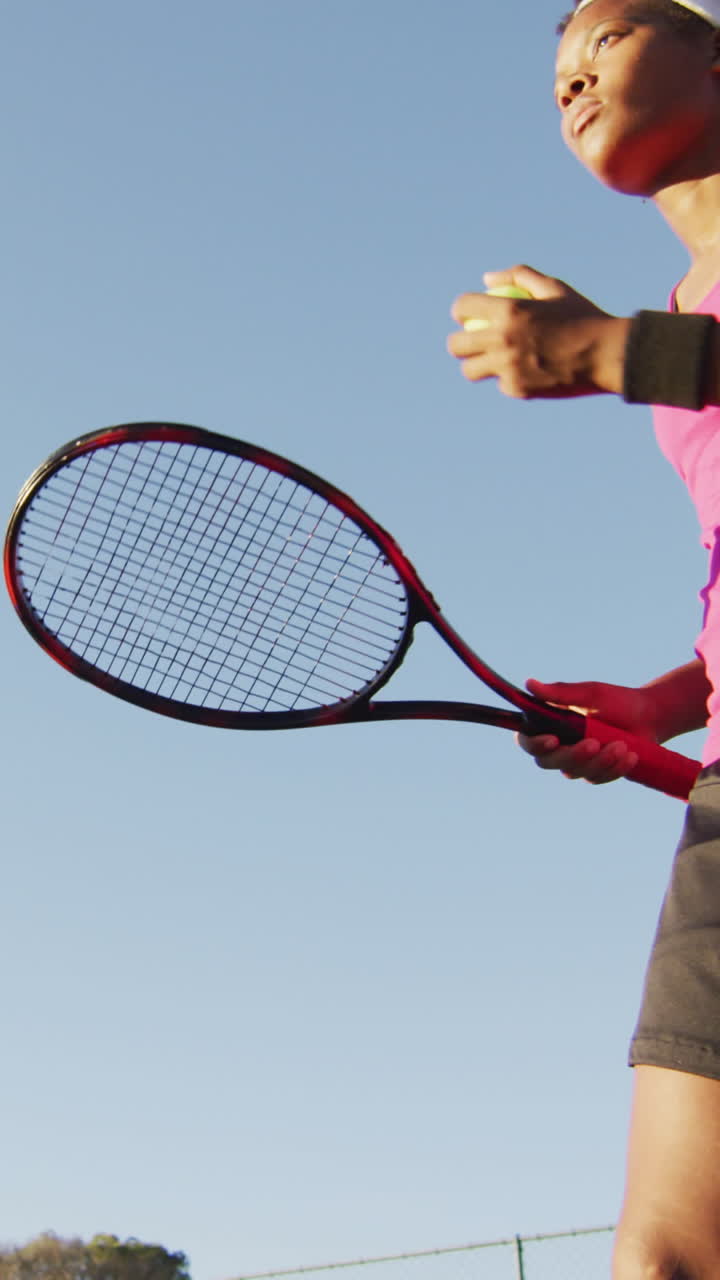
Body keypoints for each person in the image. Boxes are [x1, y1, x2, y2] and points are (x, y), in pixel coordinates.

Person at [447, 1, 720, 1276]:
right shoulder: (684, 316)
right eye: (557, 73)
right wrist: (669, 700)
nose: (571, 81)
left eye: (604, 40)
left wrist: (611, 348)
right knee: (665, 1254)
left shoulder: (665, 341)